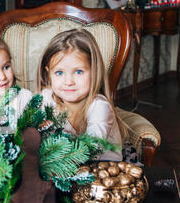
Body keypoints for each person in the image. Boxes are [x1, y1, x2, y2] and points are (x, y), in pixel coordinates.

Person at [36, 28, 125, 161]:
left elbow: (90, 148)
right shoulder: (47, 99)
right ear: (48, 73)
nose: (68, 82)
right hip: (61, 168)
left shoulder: (99, 106)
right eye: (59, 73)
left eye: (78, 72)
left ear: (94, 71)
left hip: (102, 169)